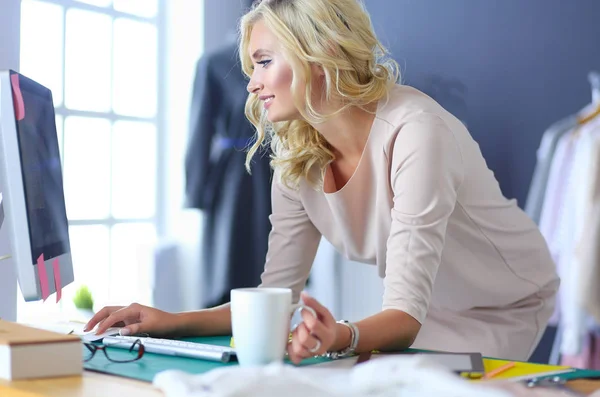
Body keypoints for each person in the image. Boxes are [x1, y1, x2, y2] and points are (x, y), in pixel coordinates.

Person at [86, 0, 559, 363]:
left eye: (265, 61)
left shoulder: (417, 132)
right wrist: (169, 321)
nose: (251, 83)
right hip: (421, 310)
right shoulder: (298, 157)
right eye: (252, 66)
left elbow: (405, 317)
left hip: (504, 304)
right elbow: (276, 299)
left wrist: (343, 336)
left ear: (322, 52)